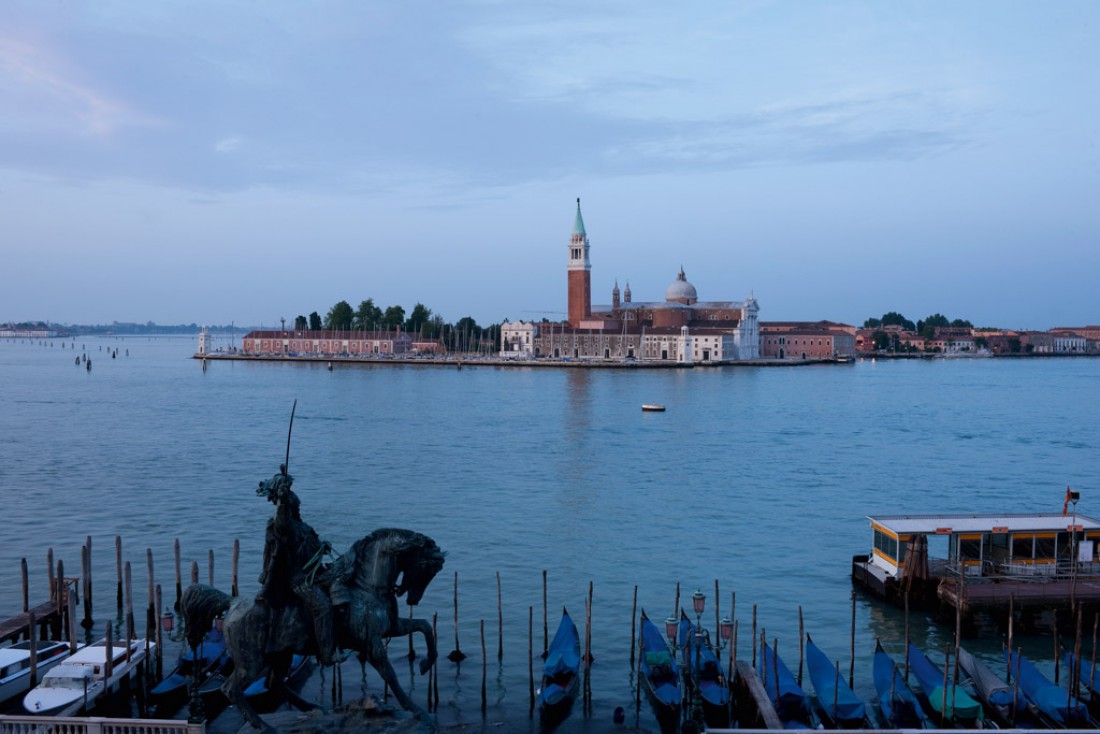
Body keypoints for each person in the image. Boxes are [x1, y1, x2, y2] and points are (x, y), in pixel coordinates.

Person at [256, 465, 341, 665]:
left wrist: (322, 546)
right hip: (298, 580)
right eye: (294, 507)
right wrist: (283, 500)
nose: (297, 509)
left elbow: (311, 545)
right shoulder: (281, 527)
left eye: (296, 506)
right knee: (323, 606)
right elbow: (282, 523)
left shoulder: (302, 526)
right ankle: (327, 653)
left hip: (314, 573)